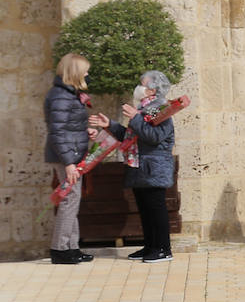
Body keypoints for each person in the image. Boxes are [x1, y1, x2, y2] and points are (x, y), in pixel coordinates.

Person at [90, 71, 177, 263]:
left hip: (153, 166)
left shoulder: (161, 108)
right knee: (145, 208)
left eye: (143, 84)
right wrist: (110, 125)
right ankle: (150, 246)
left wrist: (136, 118)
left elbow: (155, 137)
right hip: (139, 165)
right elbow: (131, 135)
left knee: (156, 207)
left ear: (153, 89)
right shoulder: (143, 108)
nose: (139, 87)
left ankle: (163, 249)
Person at [44, 53, 95, 265]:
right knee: (69, 201)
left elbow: (68, 128)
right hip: (68, 157)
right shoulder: (61, 96)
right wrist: (69, 163)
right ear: (74, 72)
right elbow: (57, 132)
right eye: (84, 70)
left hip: (73, 153)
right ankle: (60, 249)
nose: (87, 73)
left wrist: (86, 131)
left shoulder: (68, 94)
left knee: (72, 201)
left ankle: (71, 247)